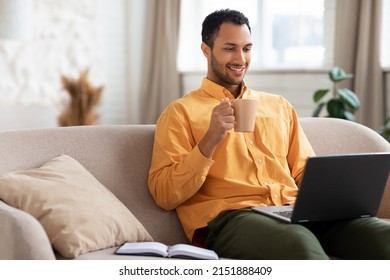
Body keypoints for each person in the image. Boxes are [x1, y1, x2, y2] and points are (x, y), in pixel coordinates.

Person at [148, 9, 390, 259]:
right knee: (299, 243)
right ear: (206, 50)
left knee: (383, 235)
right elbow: (164, 194)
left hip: (293, 210)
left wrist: (334, 199)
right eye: (229, 48)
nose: (240, 59)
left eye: (247, 48)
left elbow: (302, 170)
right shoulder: (180, 113)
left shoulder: (278, 106)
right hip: (232, 218)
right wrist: (210, 140)